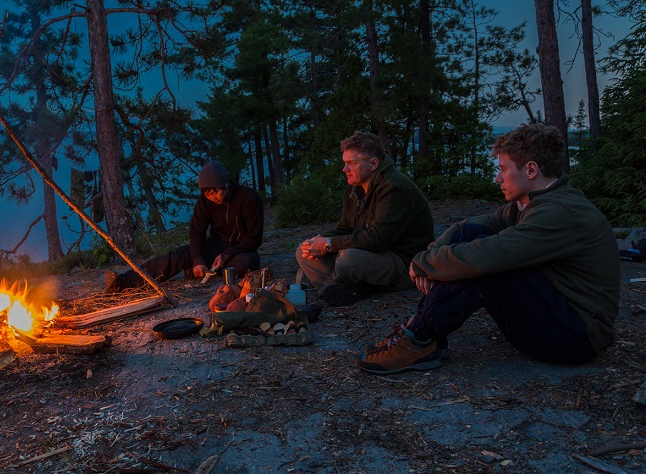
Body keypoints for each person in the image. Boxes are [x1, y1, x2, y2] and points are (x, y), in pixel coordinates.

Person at [357, 124, 620, 375]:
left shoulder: (558, 212)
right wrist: (428, 257)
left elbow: (486, 256)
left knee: (489, 266)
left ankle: (420, 336)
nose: (497, 178)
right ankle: (424, 337)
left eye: (504, 169)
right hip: (556, 309)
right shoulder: (533, 203)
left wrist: (424, 263)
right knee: (471, 236)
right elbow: (466, 227)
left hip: (576, 337)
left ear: (531, 170)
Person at [296, 131, 435, 306]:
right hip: (372, 254)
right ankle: (334, 290)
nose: (345, 169)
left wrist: (329, 243)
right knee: (303, 250)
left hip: (404, 263)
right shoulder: (355, 186)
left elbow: (378, 239)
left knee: (347, 260)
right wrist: (318, 242)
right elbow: (345, 228)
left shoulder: (394, 188)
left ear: (373, 163)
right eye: (345, 163)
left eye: (351, 163)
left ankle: (355, 285)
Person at [105, 160, 264, 292]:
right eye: (207, 194)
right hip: (214, 247)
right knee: (178, 256)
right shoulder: (205, 201)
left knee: (248, 263)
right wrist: (198, 259)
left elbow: (254, 238)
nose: (212, 197)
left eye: (215, 192)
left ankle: (207, 271)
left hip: (241, 251)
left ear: (225, 184)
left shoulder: (249, 198)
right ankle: (124, 282)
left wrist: (227, 254)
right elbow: (197, 231)